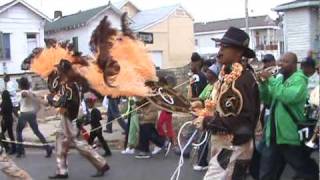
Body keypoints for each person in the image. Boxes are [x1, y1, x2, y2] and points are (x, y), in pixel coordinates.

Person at [193, 27, 260, 179]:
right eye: (220, 47)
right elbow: (224, 109)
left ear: (239, 52)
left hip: (233, 147)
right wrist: (203, 110)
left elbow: (240, 120)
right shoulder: (227, 75)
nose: (219, 52)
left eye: (224, 47)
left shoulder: (243, 80)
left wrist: (207, 122)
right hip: (225, 146)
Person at [258, 52, 319, 180]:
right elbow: (268, 100)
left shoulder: (299, 80)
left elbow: (286, 96)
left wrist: (271, 79)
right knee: (266, 173)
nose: (280, 64)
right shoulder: (279, 79)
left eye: (285, 61)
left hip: (289, 136)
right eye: (280, 61)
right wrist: (263, 85)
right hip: (273, 135)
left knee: (303, 169)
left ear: (294, 64)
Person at [47, 60, 109, 179]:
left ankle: (101, 164)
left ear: (63, 71)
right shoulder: (69, 83)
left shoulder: (69, 85)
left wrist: (52, 100)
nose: (58, 71)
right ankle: (62, 171)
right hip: (66, 118)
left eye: (59, 69)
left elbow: (67, 102)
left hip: (70, 119)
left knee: (81, 146)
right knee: (60, 143)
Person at [192, 64, 220, 171]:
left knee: (212, 142)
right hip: (205, 117)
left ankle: (211, 165)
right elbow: (201, 99)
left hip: (213, 118)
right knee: (202, 140)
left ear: (214, 74)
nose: (206, 74)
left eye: (209, 72)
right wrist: (195, 104)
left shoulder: (218, 86)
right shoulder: (208, 86)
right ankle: (202, 162)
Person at [16, 77, 53, 158]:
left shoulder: (24, 92)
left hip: (24, 114)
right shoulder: (31, 92)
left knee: (18, 131)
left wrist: (41, 101)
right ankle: (48, 148)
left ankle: (20, 151)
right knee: (36, 132)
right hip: (31, 114)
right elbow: (38, 102)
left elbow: (26, 95)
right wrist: (43, 102)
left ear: (21, 85)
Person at [0, 90, 16, 154]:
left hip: (5, 120)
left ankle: (7, 147)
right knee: (10, 134)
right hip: (10, 119)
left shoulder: (4, 103)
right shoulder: (9, 102)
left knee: (1, 134)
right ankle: (13, 147)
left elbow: (2, 112)